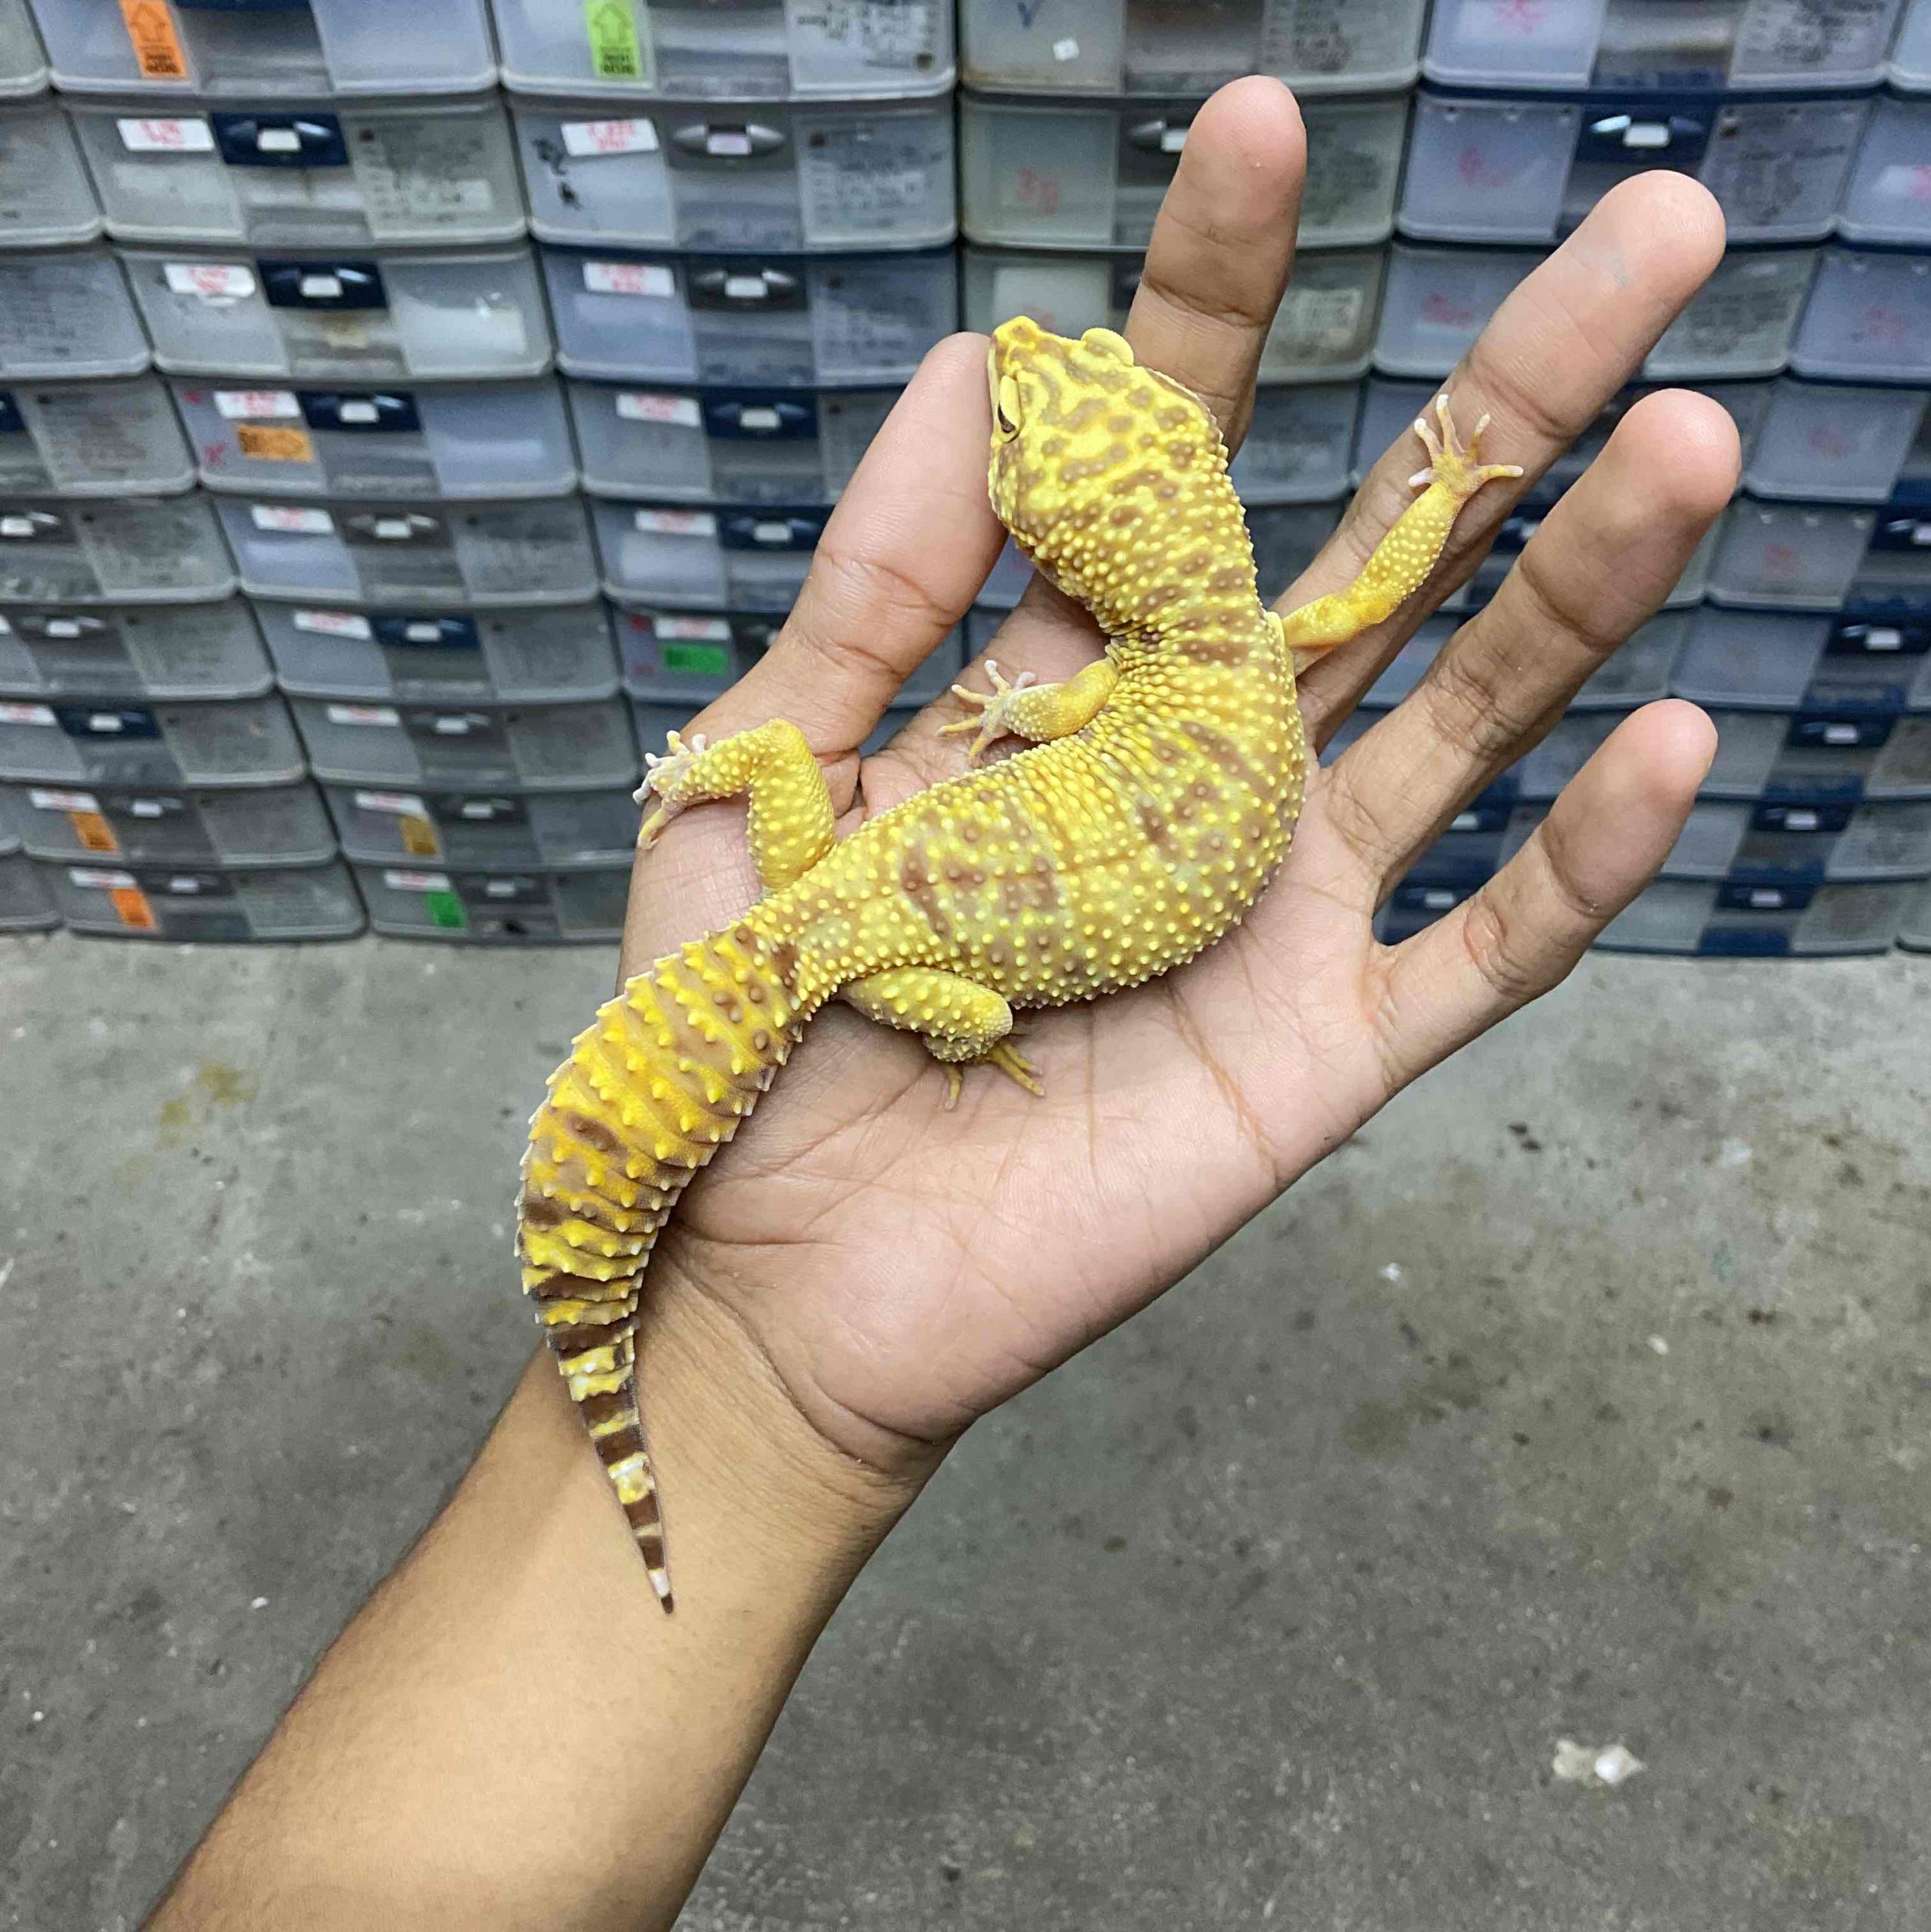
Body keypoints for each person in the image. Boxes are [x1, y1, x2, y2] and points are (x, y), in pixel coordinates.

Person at [147, 78, 1739, 1932]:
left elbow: (1080, 698)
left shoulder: (1124, 686)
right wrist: (1446, 493)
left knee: (830, 865)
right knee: (930, 987)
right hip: (887, 936)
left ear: (1077, 544)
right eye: (1039, 399)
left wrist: (757, 781)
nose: (1033, 365)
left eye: (1048, 406)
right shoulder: (1243, 644)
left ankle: (697, 835)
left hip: (852, 910)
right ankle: (635, 1350)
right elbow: (1376, 580)